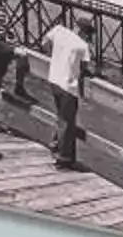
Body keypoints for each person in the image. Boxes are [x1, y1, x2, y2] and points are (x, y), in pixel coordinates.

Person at [39, 16, 93, 169]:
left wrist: (56, 57)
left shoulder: (59, 30)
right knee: (67, 123)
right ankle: (63, 159)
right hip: (68, 86)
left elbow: (44, 43)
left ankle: (55, 144)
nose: (88, 36)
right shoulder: (83, 45)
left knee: (61, 116)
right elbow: (84, 67)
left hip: (53, 80)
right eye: (88, 33)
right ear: (83, 31)